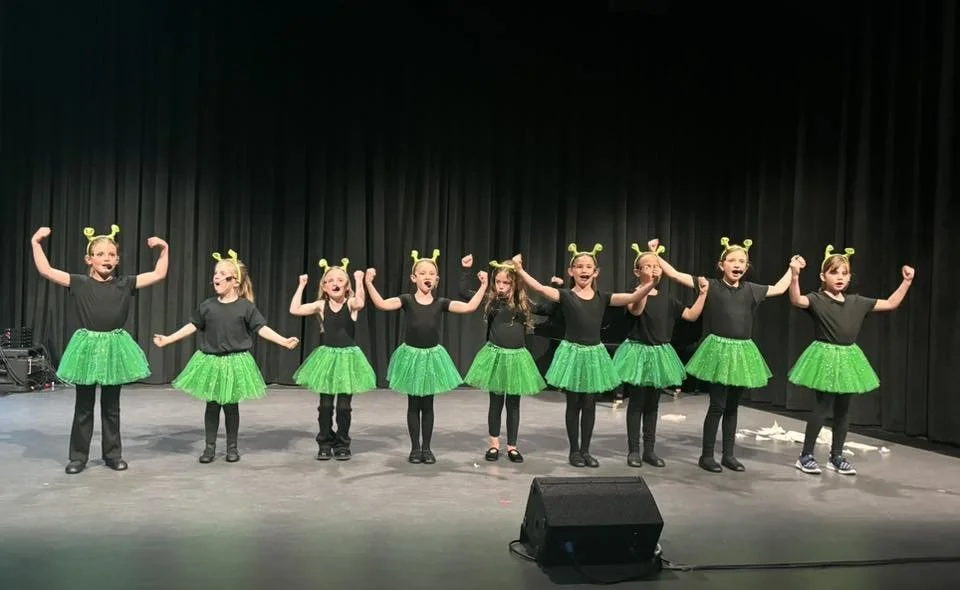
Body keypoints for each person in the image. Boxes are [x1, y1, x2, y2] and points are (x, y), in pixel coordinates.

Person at [31, 224, 168, 474]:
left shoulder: (125, 284)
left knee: (111, 406)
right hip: (87, 348)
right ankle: (78, 457)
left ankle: (112, 454)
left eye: (112, 255)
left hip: (114, 348)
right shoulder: (80, 283)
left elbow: (158, 274)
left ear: (117, 260)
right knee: (83, 405)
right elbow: (46, 270)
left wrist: (164, 249)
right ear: (89, 259)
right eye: (101, 254)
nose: (107, 258)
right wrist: (36, 243)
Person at [657, 236, 794, 473]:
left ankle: (728, 455)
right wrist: (657, 256)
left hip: (742, 351)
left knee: (733, 407)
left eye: (742, 261)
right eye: (732, 260)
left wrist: (793, 270)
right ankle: (707, 455)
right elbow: (676, 275)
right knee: (717, 406)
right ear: (722, 265)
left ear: (747, 266)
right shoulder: (711, 285)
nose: (737, 264)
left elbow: (780, 289)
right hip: (719, 351)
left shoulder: (751, 289)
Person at [511, 243, 655, 468]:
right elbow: (540, 288)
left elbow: (630, 298)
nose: (584, 270)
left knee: (589, 404)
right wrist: (519, 270)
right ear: (571, 272)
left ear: (596, 272)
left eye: (589, 266)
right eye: (579, 266)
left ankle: (586, 450)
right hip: (573, 353)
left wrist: (649, 283)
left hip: (593, 354)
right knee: (574, 403)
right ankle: (574, 451)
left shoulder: (603, 297)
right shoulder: (566, 296)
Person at [153, 249, 299, 463]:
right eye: (216, 273)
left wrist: (283, 340)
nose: (217, 277)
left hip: (235, 362)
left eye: (222, 273)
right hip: (211, 361)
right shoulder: (208, 306)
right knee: (212, 406)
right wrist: (168, 339)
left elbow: (261, 328)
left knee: (231, 406)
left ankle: (232, 447)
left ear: (235, 281)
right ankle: (209, 447)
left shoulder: (245, 307)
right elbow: (192, 326)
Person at [788, 247, 915, 475]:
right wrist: (795, 275)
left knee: (844, 410)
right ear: (823, 276)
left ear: (849, 277)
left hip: (848, 357)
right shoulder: (817, 299)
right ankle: (805, 455)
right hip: (825, 355)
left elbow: (890, 303)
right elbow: (797, 300)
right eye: (834, 272)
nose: (840, 277)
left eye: (844, 273)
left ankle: (836, 455)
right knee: (822, 407)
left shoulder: (857, 302)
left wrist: (906, 282)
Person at [364, 249, 487, 464]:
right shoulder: (407, 300)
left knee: (428, 405)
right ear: (414, 278)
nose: (427, 276)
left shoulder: (440, 302)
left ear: (437, 279)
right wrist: (368, 283)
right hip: (411, 357)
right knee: (413, 404)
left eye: (431, 273)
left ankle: (427, 449)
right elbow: (382, 304)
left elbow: (469, 307)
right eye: (422, 273)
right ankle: (414, 448)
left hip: (431, 357)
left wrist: (484, 285)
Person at [613, 241, 708, 468]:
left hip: (659, 354)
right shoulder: (634, 294)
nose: (654, 269)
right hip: (638, 353)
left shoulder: (668, 299)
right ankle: (634, 450)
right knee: (636, 403)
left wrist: (703, 294)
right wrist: (647, 286)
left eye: (656, 266)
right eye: (647, 266)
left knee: (653, 404)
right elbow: (636, 309)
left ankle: (650, 450)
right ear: (637, 271)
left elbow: (691, 315)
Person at [458, 254, 551, 463]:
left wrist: (555, 287)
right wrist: (466, 271)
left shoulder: (523, 303)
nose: (501, 286)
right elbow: (463, 293)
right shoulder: (491, 300)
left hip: (517, 358)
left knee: (514, 404)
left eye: (506, 283)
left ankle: (512, 446)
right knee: (496, 402)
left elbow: (546, 309)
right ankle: (494, 444)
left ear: (514, 283)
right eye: (498, 282)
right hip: (497, 357)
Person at [289, 258, 376, 461]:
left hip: (348, 359)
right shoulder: (321, 305)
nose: (335, 283)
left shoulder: (351, 304)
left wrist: (359, 280)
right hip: (327, 358)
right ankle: (325, 441)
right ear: (325, 287)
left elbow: (361, 302)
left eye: (340, 280)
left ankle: (343, 442)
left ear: (346, 287)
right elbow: (294, 309)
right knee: (326, 405)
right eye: (330, 280)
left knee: (344, 406)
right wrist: (301, 285)